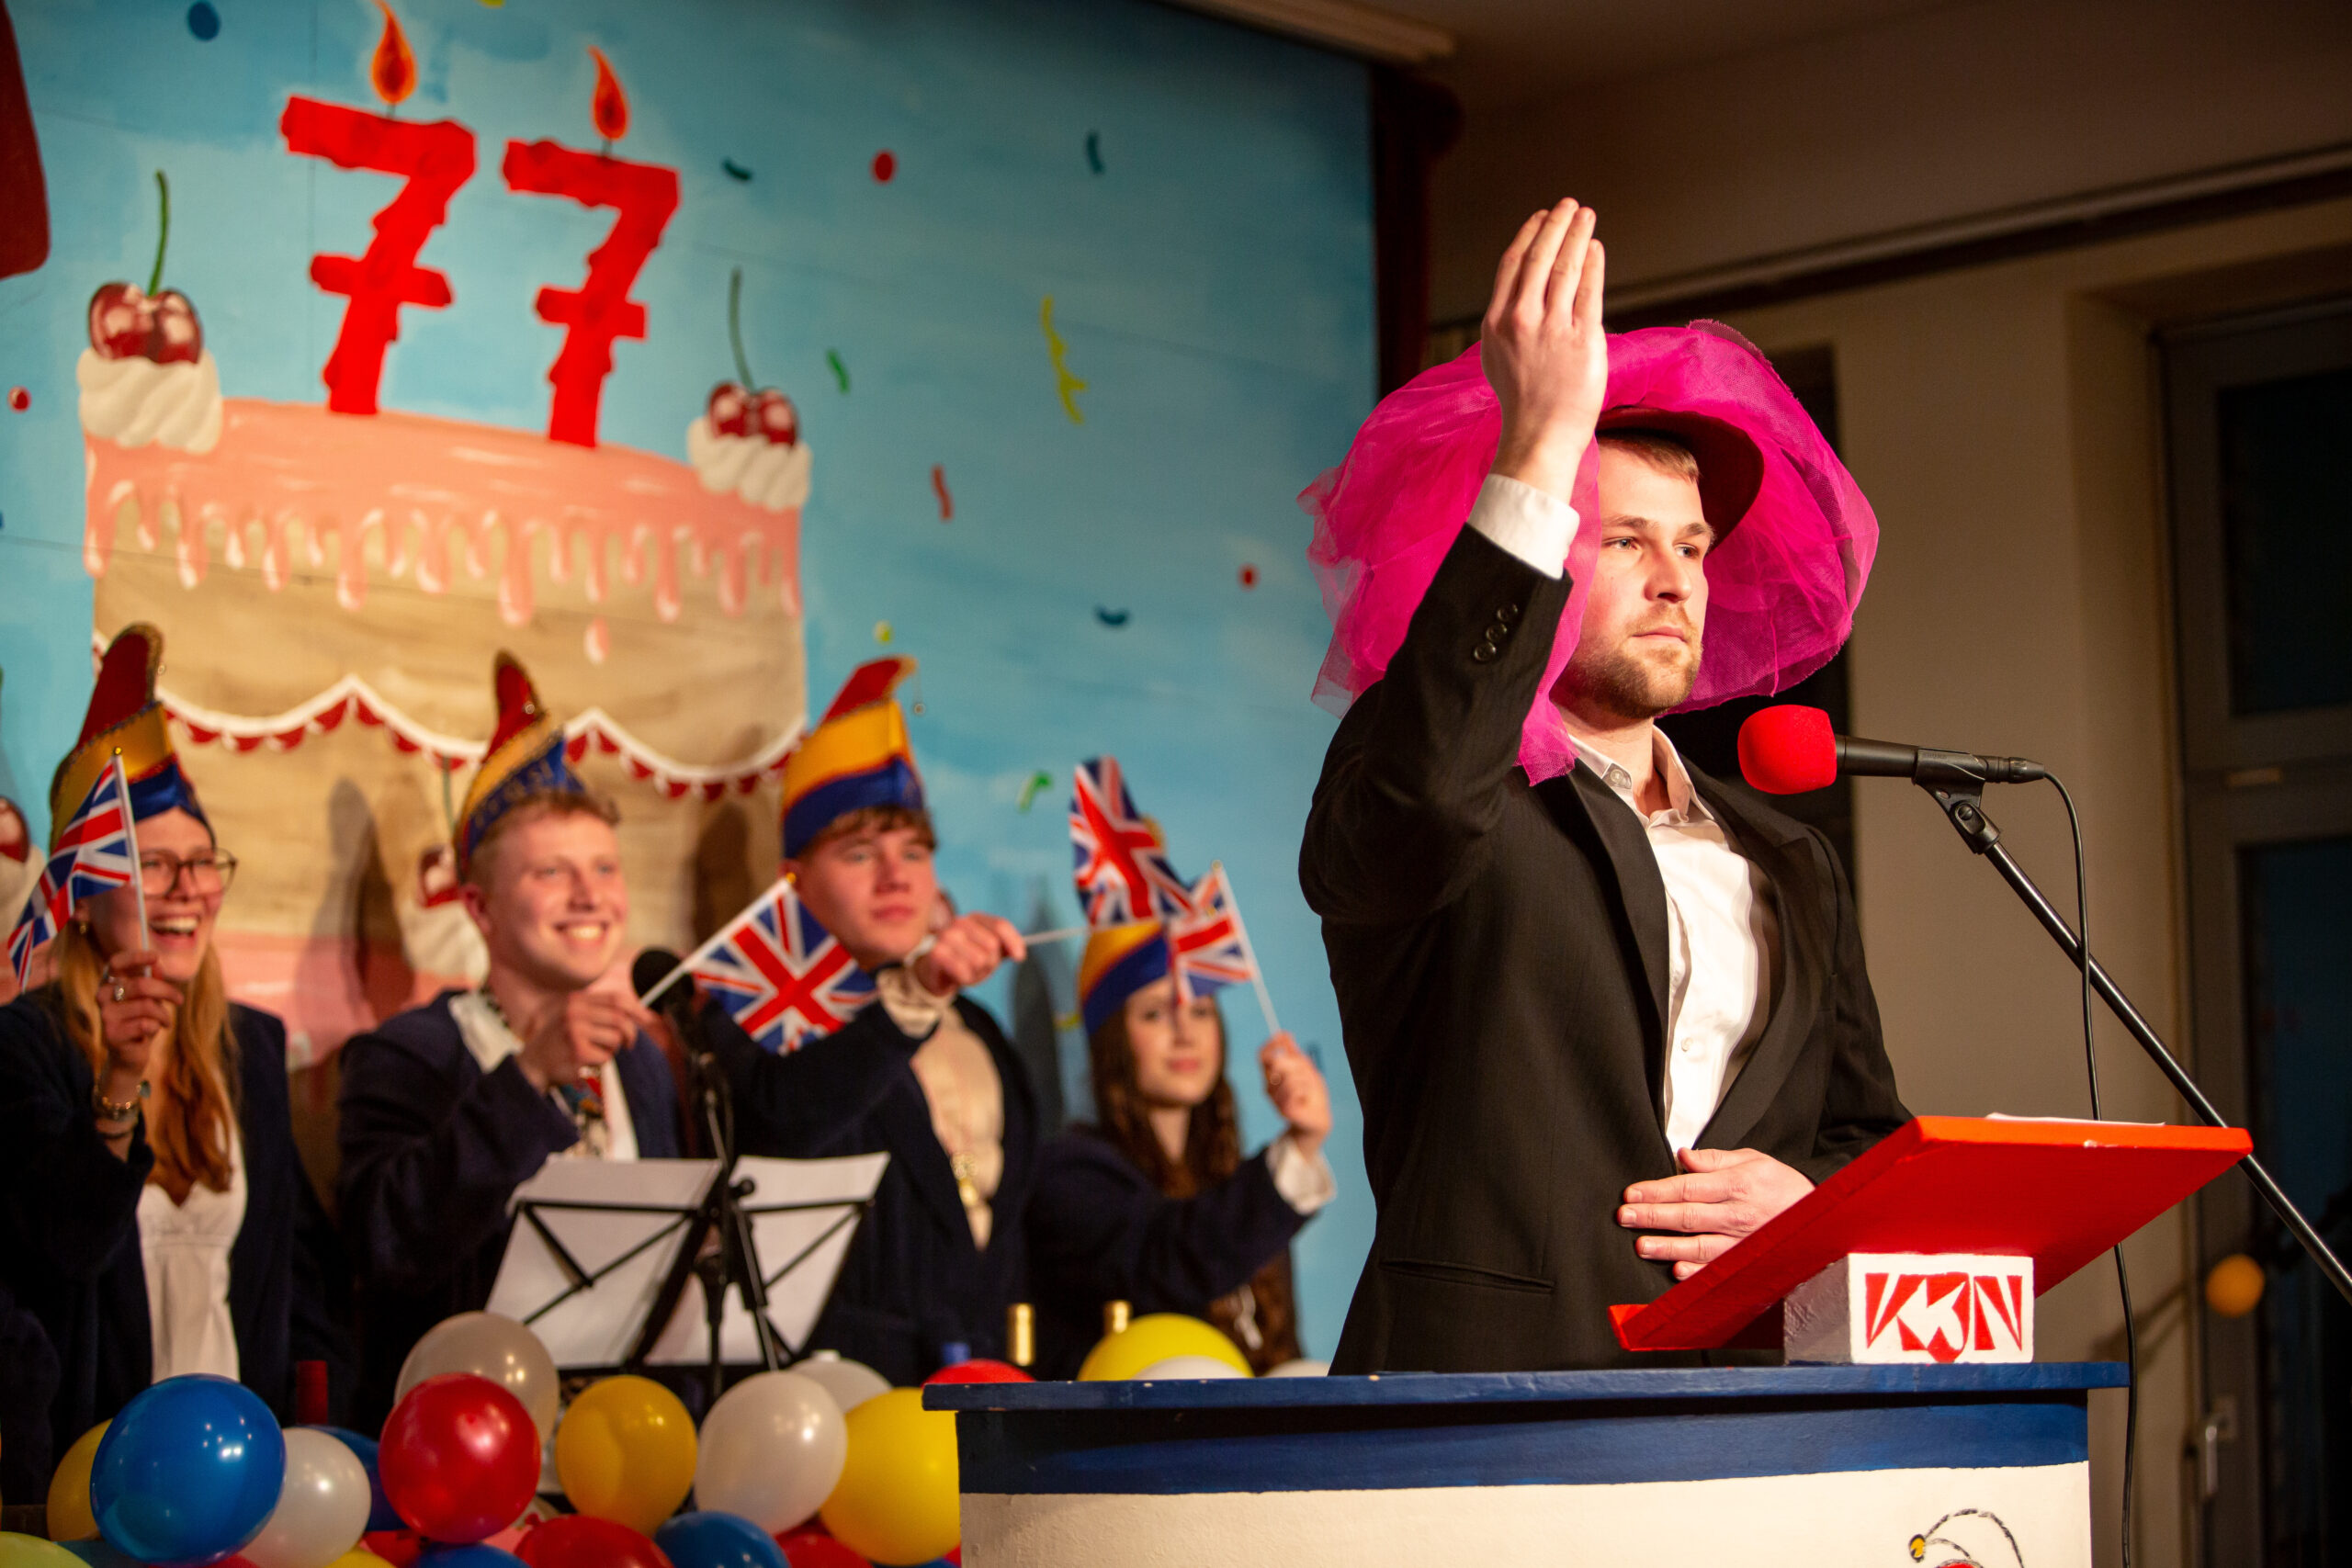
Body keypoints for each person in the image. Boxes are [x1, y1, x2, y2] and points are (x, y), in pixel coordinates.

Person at [1299, 201, 1908, 1373]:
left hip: (1750, 1403)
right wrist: (1536, 447)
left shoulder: (1789, 859)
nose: (1675, 580)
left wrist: (1804, 1206)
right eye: (1624, 541)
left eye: (1692, 546)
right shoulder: (1437, 774)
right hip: (1488, 1404)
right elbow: (1422, 809)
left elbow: (1860, 1134)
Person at [0, 625, 349, 1493]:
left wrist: (312, 1436)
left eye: (202, 861)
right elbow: (62, 1251)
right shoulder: (25, 1042)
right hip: (94, 1473)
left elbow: (294, 1277)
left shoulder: (252, 1045)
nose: (189, 887)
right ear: (83, 897)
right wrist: (120, 1079)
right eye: (152, 864)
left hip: (240, 1470)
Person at [336, 653, 681, 1428]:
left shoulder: (640, 1061)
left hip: (619, 1444)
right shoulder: (412, 1054)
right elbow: (386, 1247)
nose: (589, 895)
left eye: (604, 868)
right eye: (551, 873)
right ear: (481, 907)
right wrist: (527, 1078)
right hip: (468, 1439)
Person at [711, 659, 1039, 1386]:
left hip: (986, 1387)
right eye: (859, 852)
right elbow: (781, 1126)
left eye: (914, 851)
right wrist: (911, 997)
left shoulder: (980, 1025)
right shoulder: (747, 1008)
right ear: (794, 880)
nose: (896, 876)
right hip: (838, 1399)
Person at [1026, 917, 1333, 1375]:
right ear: (1113, 1038)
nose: (1185, 1033)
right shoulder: (1071, 1173)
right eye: (1154, 1013)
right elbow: (1163, 1263)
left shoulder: (1230, 1181)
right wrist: (1295, 1152)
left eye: (1201, 1010)